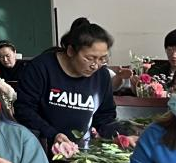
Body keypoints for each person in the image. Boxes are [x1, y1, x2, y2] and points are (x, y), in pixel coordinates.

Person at [15, 17, 119, 151]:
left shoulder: (102, 76)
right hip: (41, 148)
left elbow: (105, 116)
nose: (95, 65)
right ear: (70, 51)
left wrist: (118, 135)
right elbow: (24, 109)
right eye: (89, 58)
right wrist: (52, 134)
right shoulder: (41, 68)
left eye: (102, 59)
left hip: (81, 152)